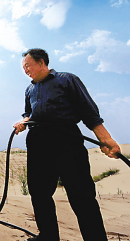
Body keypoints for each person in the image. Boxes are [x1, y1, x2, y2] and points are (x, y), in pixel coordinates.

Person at [13, 48, 121, 241]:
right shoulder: (30, 89)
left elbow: (89, 111)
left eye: (28, 66)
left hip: (66, 140)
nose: (25, 70)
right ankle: (48, 236)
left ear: (41, 62)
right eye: (23, 68)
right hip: (38, 143)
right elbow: (29, 113)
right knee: (39, 193)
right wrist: (24, 121)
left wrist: (105, 139)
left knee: (81, 195)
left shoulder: (66, 79)